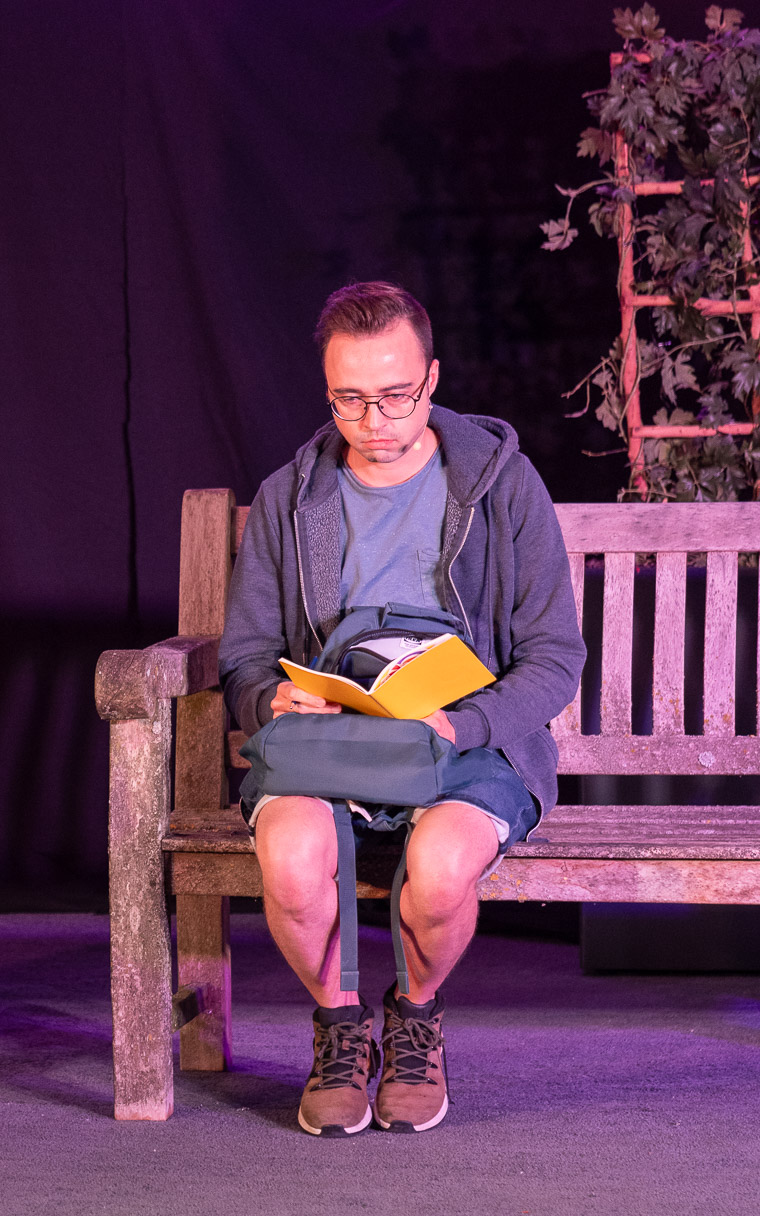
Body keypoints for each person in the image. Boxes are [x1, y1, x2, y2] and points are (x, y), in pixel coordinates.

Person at [219, 282, 584, 1137]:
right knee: (292, 858)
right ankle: (342, 1027)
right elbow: (243, 657)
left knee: (444, 866)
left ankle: (414, 1019)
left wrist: (461, 722)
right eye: (349, 399)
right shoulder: (292, 495)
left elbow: (555, 657)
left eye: (395, 395)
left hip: (467, 742)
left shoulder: (500, 483)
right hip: (331, 743)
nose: (373, 420)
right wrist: (274, 696)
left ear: (432, 378)